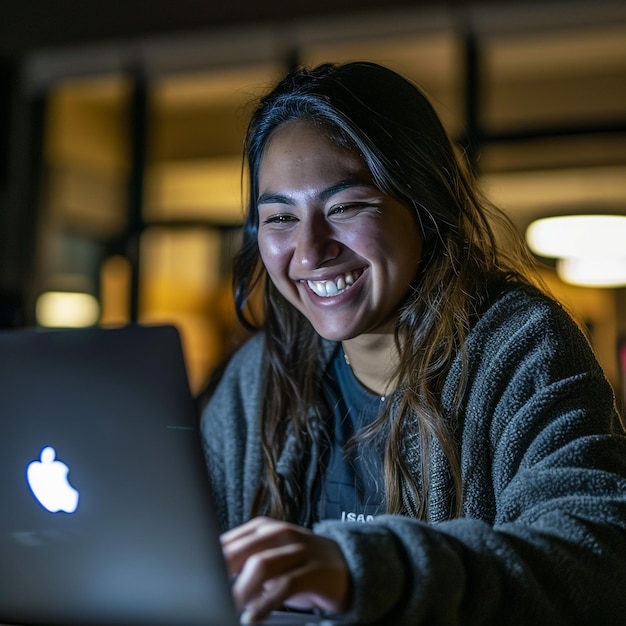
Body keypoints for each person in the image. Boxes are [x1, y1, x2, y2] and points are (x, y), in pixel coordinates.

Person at [200, 61, 626, 625]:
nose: (307, 252)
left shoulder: (520, 346)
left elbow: (594, 557)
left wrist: (364, 571)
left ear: (423, 205)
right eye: (279, 217)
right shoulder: (258, 377)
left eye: (346, 207)